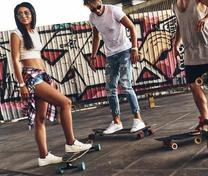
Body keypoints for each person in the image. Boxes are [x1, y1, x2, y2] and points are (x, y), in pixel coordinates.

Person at [10, 2, 92, 167]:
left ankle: (44, 156)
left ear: (32, 14)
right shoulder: (16, 33)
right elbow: (15, 59)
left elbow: (38, 57)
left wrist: (49, 79)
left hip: (41, 75)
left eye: (26, 12)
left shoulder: (34, 32)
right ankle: (70, 143)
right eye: (20, 14)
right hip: (30, 76)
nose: (24, 16)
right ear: (17, 17)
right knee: (66, 102)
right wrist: (21, 85)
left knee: (40, 119)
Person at [83, 0, 146, 134]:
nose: (97, 11)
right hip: (110, 55)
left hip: (124, 51)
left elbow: (132, 27)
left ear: (100, 1)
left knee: (125, 84)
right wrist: (93, 56)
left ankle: (138, 119)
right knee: (110, 88)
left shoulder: (113, 10)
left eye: (98, 7)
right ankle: (117, 121)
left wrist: (134, 48)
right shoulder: (92, 18)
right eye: (93, 9)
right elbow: (96, 36)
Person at [173, 0, 208, 132]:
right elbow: (180, 23)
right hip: (190, 53)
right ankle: (205, 119)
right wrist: (176, 43)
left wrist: (207, 18)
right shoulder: (174, 4)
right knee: (193, 85)